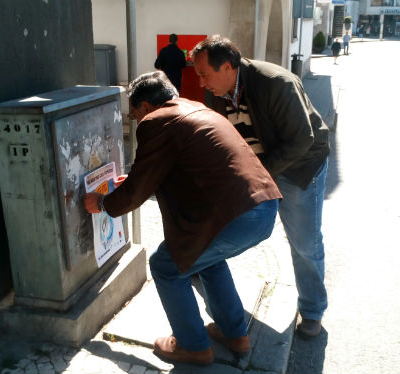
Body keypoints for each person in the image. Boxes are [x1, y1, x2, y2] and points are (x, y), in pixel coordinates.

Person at [84, 71, 282, 364]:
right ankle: (234, 334)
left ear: (147, 107)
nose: (136, 121)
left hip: (234, 216)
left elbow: (137, 192)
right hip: (262, 207)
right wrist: (136, 181)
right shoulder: (196, 109)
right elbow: (171, 170)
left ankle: (193, 346)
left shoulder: (156, 122)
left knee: (165, 265)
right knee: (207, 260)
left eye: (135, 114)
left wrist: (101, 203)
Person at [190, 35, 330, 339]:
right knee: (220, 222)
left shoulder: (276, 83)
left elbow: (301, 140)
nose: (201, 83)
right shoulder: (218, 91)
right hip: (259, 166)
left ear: (227, 66)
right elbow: (221, 136)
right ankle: (204, 273)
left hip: (300, 168)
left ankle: (312, 310)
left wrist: (258, 172)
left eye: (204, 74)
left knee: (303, 242)